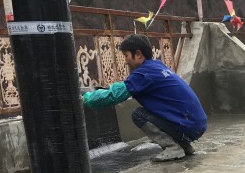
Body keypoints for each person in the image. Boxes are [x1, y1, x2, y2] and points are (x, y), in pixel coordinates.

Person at [82, 34, 207, 162]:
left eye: (126, 55)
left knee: (139, 114)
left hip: (188, 126)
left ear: (138, 54)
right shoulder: (157, 66)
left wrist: (85, 99)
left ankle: (172, 147)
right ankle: (184, 146)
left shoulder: (143, 74)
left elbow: (114, 95)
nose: (125, 61)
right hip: (196, 124)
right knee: (156, 112)